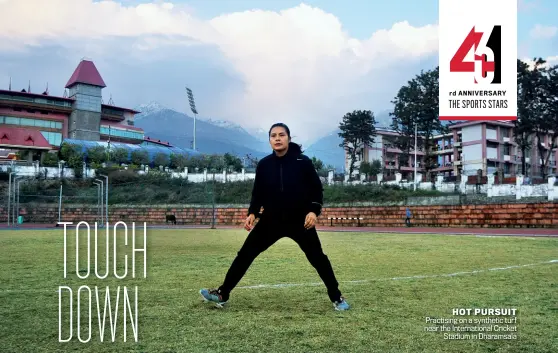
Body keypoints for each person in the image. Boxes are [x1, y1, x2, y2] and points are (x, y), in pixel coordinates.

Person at [200, 123, 350, 311]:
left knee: (318, 258)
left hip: (300, 221)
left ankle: (337, 298)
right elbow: (258, 193)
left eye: (281, 135)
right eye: (273, 136)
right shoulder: (264, 165)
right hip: (270, 221)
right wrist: (252, 213)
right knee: (245, 255)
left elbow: (316, 190)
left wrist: (313, 211)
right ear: (270, 140)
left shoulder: (303, 162)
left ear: (288, 138)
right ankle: (222, 293)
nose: (277, 138)